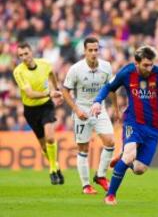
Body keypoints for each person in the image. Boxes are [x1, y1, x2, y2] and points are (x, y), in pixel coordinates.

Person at [90, 45, 158, 205]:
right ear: (137, 63)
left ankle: (122, 159)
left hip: (153, 126)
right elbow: (108, 86)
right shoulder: (127, 72)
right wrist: (97, 101)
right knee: (129, 155)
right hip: (133, 121)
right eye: (146, 65)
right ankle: (110, 195)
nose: (150, 68)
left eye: (151, 64)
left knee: (139, 169)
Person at [62, 37, 118, 194]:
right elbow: (65, 90)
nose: (94, 53)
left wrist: (117, 109)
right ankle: (86, 185)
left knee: (110, 141)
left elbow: (112, 88)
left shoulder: (106, 67)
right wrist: (76, 109)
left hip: (99, 109)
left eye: (96, 50)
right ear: (84, 51)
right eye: (90, 50)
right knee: (83, 148)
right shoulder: (75, 69)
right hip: (82, 111)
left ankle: (100, 176)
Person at [13, 42, 64, 185]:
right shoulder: (18, 71)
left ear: (32, 52)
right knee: (43, 146)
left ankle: (52, 170)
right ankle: (56, 165)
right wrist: (50, 92)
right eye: (20, 55)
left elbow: (52, 74)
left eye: (26, 53)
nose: (24, 57)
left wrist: (56, 88)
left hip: (46, 106)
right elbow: (29, 94)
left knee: (50, 137)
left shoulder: (45, 64)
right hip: (30, 110)